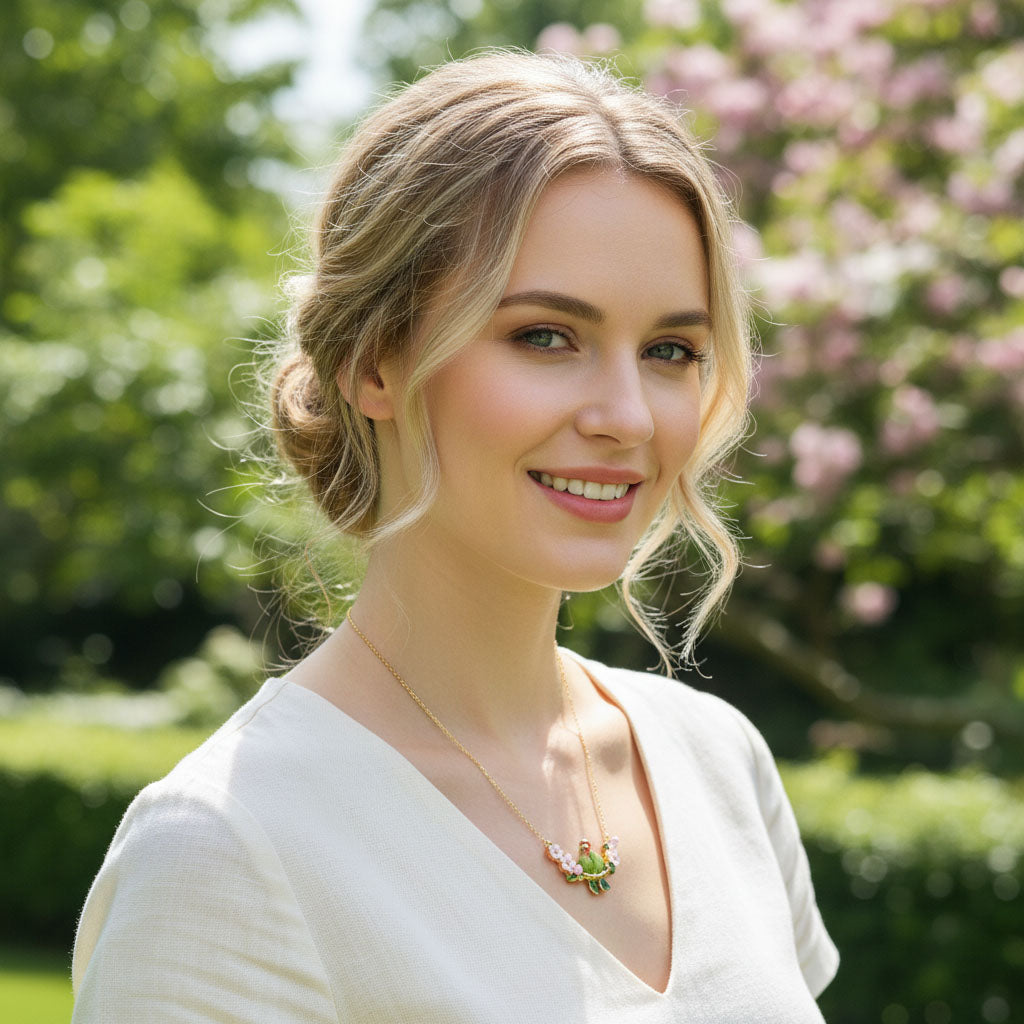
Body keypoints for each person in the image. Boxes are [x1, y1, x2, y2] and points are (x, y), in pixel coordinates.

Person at [71, 49, 839, 1021]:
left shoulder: (717, 760)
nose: (628, 416)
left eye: (669, 352)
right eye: (544, 336)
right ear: (372, 360)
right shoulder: (225, 852)